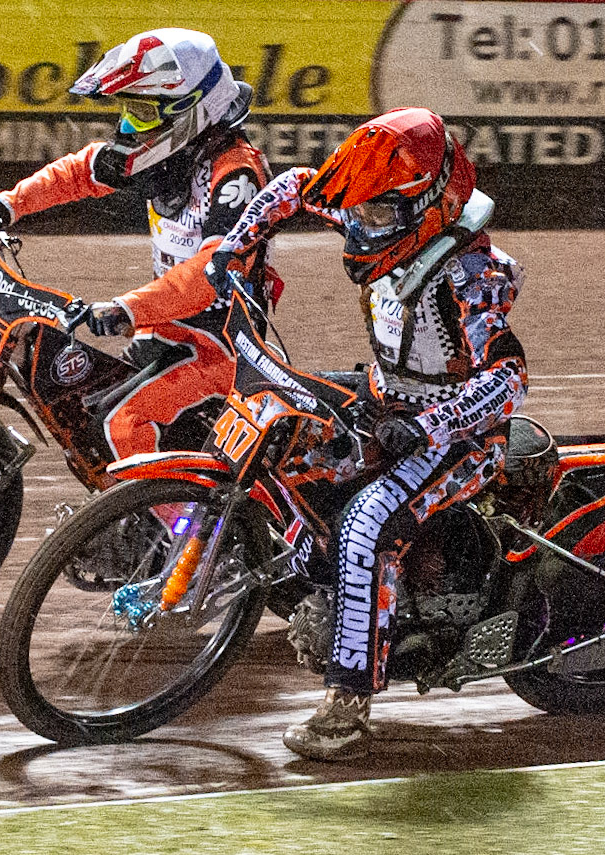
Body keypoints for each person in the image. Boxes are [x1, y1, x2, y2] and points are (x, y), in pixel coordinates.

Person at [209, 107, 528, 761]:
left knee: (364, 527)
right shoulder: (384, 213)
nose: (359, 227)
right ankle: (305, 570)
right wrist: (234, 248)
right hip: (385, 398)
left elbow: (509, 374)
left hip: (457, 436)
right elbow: (297, 185)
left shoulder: (472, 273)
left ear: (431, 204)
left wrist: (432, 425)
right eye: (357, 213)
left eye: (376, 216)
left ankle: (347, 708)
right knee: (273, 418)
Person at [0, 28, 276, 459]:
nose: (127, 126)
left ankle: (173, 527)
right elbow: (81, 171)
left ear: (188, 110)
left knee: (123, 425)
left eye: (140, 111)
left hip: (222, 350)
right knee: (83, 414)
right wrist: (8, 204)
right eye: (126, 109)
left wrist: (126, 308)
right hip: (164, 334)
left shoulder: (236, 174)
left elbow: (211, 273)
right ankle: (124, 520)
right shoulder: (169, 155)